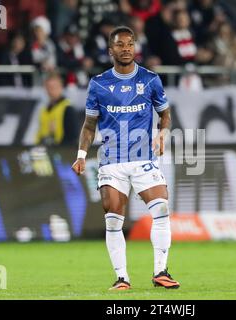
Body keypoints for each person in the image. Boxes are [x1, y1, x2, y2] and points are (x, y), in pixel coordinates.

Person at [71, 26, 179, 291]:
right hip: (112, 161)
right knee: (113, 218)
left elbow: (165, 114)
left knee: (162, 210)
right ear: (111, 51)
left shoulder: (151, 79)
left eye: (130, 44)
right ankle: (122, 278)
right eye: (120, 45)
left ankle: (160, 272)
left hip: (143, 159)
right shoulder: (98, 84)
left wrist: (162, 134)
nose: (126, 48)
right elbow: (89, 125)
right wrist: (81, 155)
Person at [35, 72, 80, 146]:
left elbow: (72, 137)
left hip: (61, 151)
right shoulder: (44, 110)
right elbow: (40, 134)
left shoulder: (67, 108)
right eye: (49, 87)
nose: (51, 90)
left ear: (61, 87)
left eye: (54, 87)